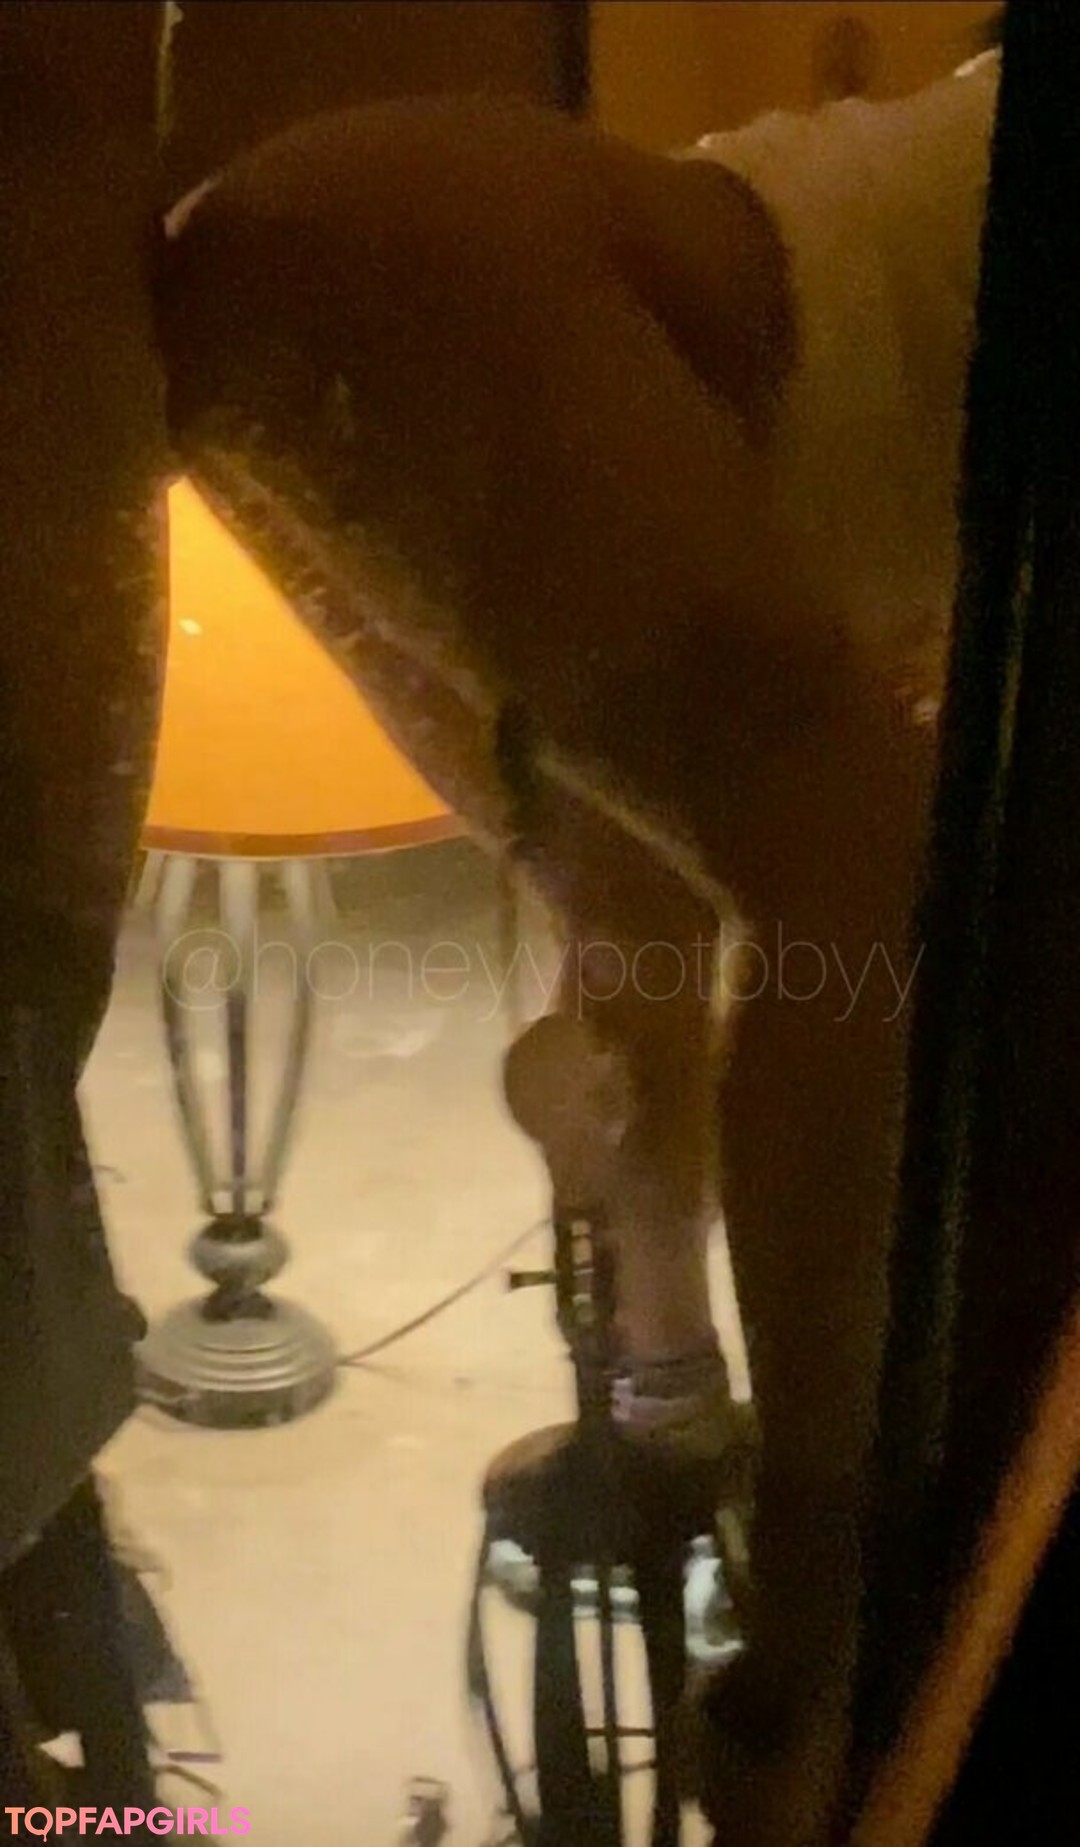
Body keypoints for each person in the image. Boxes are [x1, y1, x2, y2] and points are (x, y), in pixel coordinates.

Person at [156, 44, 1000, 1841]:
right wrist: (825, 1630)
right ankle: (806, 1628)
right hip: (414, 274)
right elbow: (873, 888)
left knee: (659, 903)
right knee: (846, 885)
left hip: (334, 258)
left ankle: (681, 1422)